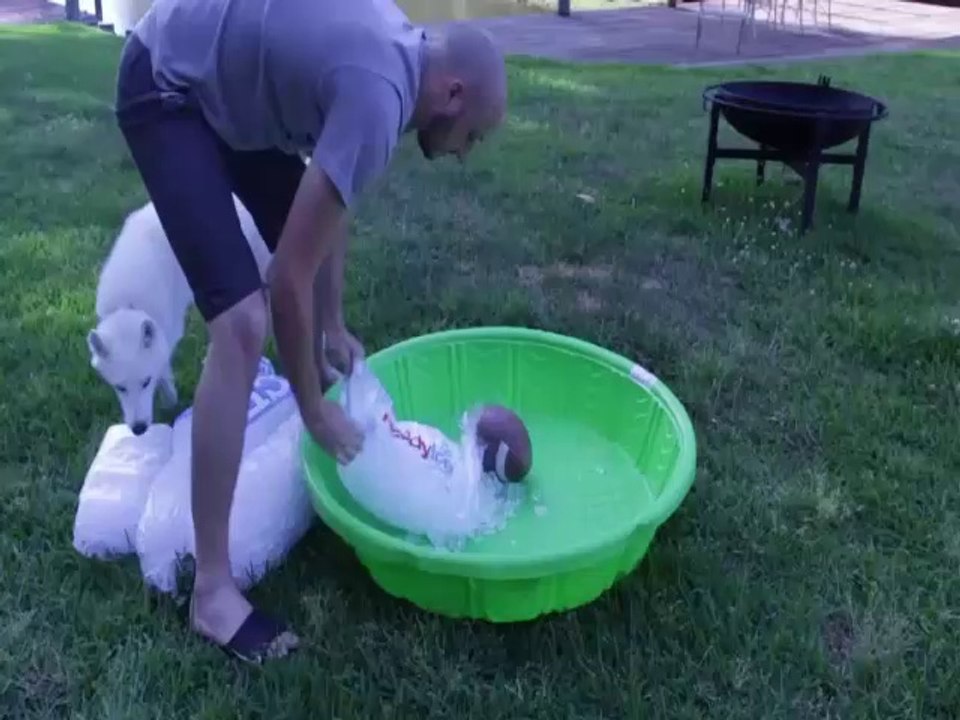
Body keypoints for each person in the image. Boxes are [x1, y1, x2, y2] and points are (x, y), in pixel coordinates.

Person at [113, 0, 507, 663]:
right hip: (167, 83)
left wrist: (332, 325)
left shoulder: (398, 57)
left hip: (221, 91)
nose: (466, 153)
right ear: (453, 93)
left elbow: (329, 203)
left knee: (297, 242)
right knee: (241, 325)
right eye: (473, 136)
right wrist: (313, 411)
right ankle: (212, 592)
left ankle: (302, 367)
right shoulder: (381, 96)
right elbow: (287, 279)